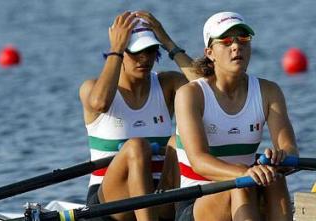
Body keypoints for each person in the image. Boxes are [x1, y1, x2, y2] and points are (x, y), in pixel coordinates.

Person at [174, 11, 299, 221]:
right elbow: (199, 161)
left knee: (275, 176)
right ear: (210, 52)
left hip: (245, 184)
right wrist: (242, 173)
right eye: (226, 41)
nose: (236, 46)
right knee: (240, 182)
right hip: (196, 200)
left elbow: (290, 148)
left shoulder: (269, 91)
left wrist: (281, 157)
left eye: (243, 39)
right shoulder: (190, 94)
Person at [79, 11, 196, 221]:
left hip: (159, 191)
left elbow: (208, 91)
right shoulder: (91, 88)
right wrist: (115, 49)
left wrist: (167, 41)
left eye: (150, 50)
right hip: (110, 204)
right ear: (121, 52)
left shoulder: (167, 84)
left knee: (176, 142)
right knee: (136, 146)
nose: (144, 58)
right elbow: (100, 103)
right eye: (136, 51)